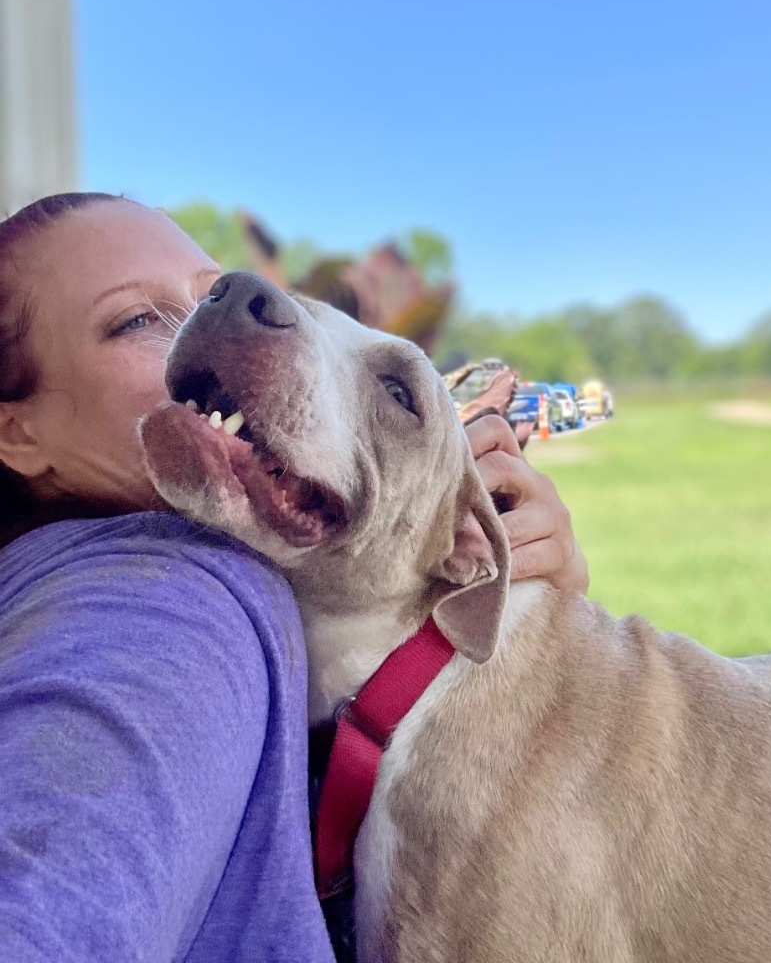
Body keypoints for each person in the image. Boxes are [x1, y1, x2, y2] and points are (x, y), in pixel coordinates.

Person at [0, 193, 589, 962]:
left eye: (210, 289)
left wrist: (541, 599)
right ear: (17, 433)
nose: (221, 313)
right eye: (135, 321)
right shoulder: (167, 600)